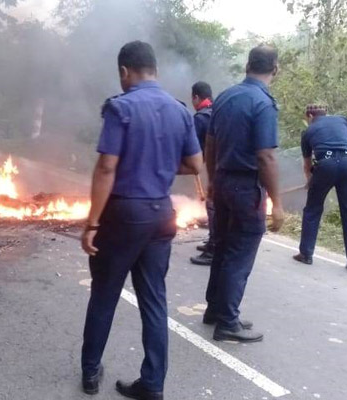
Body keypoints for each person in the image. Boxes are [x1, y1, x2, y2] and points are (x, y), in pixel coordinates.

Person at [80, 41, 203, 399]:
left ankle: (90, 374)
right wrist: (162, 164)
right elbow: (196, 165)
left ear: (124, 72)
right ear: (156, 70)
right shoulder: (180, 111)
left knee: (104, 295)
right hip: (162, 216)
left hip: (123, 216)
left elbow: (106, 167)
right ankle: (153, 384)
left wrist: (91, 223)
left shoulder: (121, 108)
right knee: (154, 300)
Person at [203, 44, 285, 343]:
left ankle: (214, 309)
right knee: (240, 253)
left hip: (223, 182)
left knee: (223, 247)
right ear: (275, 68)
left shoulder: (225, 97)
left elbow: (210, 145)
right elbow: (266, 157)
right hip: (245, 188)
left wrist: (212, 181)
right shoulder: (262, 104)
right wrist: (277, 204)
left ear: (247, 65)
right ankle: (227, 322)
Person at [293, 104, 347, 274]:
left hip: (325, 166)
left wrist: (310, 181)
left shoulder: (308, 132)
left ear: (310, 116)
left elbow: (307, 165)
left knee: (313, 209)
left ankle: (306, 254)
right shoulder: (343, 120)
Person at [188, 81, 216, 266]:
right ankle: (213, 241)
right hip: (226, 164)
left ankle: (213, 249)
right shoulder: (217, 112)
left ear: (196, 97)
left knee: (212, 204)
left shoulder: (201, 118)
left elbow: (196, 149)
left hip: (216, 166)